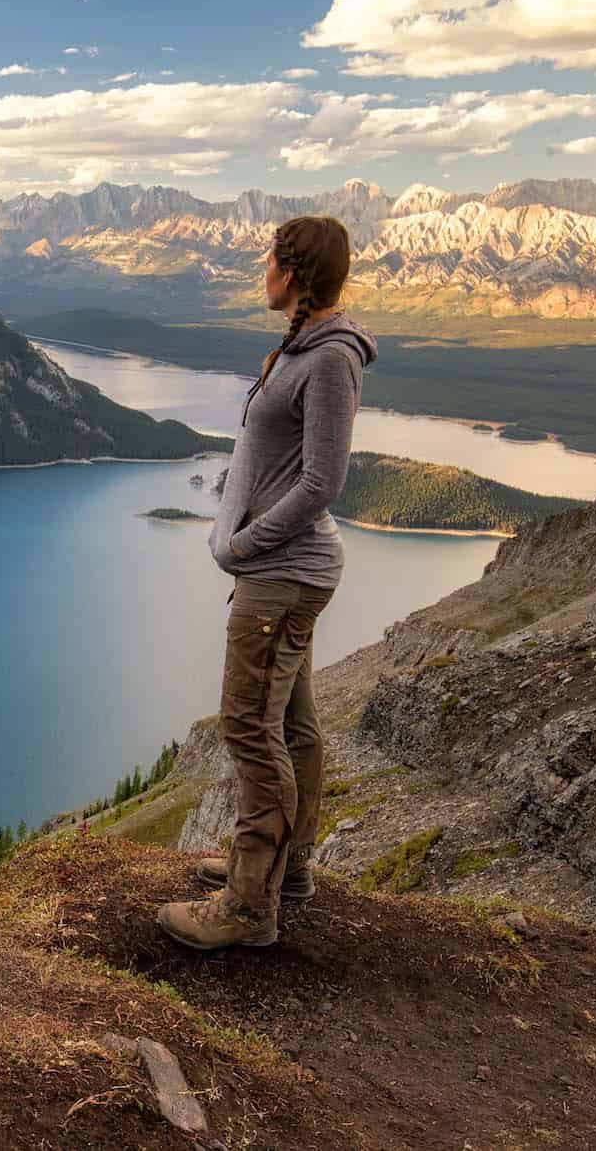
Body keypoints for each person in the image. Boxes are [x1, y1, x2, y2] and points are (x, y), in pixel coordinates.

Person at [157, 215, 377, 951]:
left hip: (281, 575)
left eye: (270, 260)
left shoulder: (330, 360)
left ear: (295, 272)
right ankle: (287, 870)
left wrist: (247, 541)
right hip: (278, 573)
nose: (261, 270)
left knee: (249, 727)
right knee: (293, 727)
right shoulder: (299, 349)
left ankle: (249, 906)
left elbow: (323, 480)